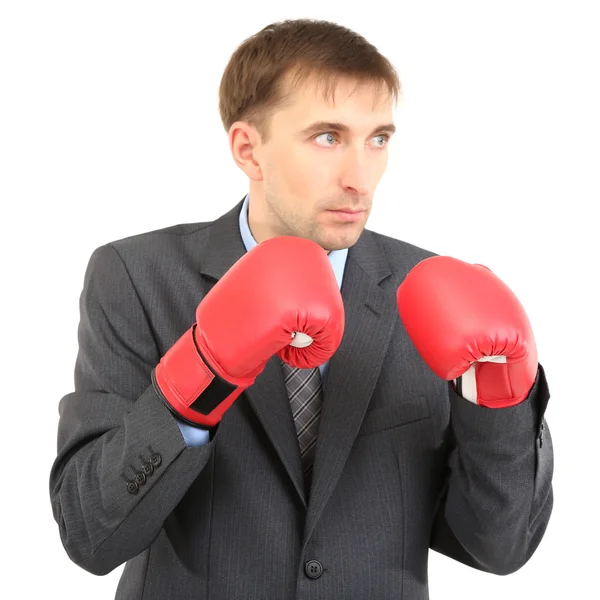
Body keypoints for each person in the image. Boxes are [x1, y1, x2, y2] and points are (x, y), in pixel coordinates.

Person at [49, 18, 554, 599]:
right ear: (248, 149)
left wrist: (498, 398)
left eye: (378, 139)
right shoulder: (137, 276)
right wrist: (200, 378)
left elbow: (498, 548)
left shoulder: (427, 292)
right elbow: (91, 537)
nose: (359, 178)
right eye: (327, 137)